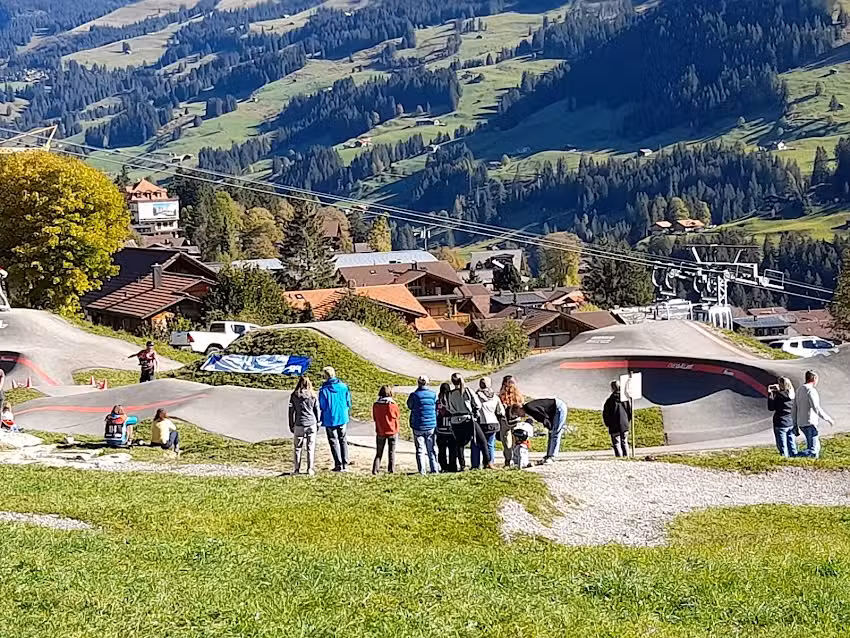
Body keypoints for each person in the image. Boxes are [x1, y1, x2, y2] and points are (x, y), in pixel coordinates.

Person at [318, 366, 352, 472]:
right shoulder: (343, 386)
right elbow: (348, 401)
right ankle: (345, 463)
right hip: (342, 416)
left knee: (333, 440)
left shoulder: (323, 390)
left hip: (330, 418)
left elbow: (322, 405)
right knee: (343, 439)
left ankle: (338, 464)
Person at [795, 370, 834, 459]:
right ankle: (794, 456)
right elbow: (816, 407)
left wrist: (795, 423)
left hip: (801, 422)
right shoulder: (811, 390)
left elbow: (794, 408)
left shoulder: (799, 390)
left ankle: (813, 462)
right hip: (810, 423)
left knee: (816, 447)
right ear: (814, 378)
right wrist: (828, 418)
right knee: (813, 450)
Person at [519, 397, 568, 465]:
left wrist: (549, 425)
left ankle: (552, 456)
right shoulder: (529, 408)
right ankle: (549, 455)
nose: (520, 416)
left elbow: (542, 417)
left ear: (519, 408)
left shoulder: (529, 408)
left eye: (517, 413)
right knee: (551, 433)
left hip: (559, 408)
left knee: (555, 433)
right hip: (554, 409)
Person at [446, 373, 480, 471]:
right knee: (476, 440)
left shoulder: (450, 393)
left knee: (459, 443)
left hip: (455, 420)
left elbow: (449, 407)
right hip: (467, 418)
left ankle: (462, 464)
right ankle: (477, 462)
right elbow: (477, 404)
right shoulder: (467, 390)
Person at [407, 375, 439, 474]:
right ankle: (434, 469)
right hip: (430, 425)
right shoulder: (433, 395)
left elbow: (409, 406)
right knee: (431, 449)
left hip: (418, 424)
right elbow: (436, 406)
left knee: (420, 449)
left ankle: (422, 471)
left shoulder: (414, 395)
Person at [289, 376, 320, 475]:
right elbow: (317, 410)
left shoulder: (294, 395)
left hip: (299, 423)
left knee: (297, 448)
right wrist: (318, 422)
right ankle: (310, 469)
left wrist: (291, 424)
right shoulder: (313, 395)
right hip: (311, 423)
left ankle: (297, 469)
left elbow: (291, 412)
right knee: (310, 447)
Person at [473, 377, 505, 469]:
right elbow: (501, 411)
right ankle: (490, 463)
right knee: (490, 444)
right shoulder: (495, 397)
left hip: (480, 423)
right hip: (493, 423)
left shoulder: (476, 396)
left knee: (476, 444)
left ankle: (476, 464)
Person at [372, 385, 400, 474]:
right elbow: (397, 416)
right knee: (391, 452)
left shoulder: (376, 405)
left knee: (379, 452)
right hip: (392, 430)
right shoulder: (393, 405)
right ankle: (391, 469)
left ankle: (375, 469)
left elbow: (375, 417)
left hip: (380, 431)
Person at [498, 375, 524, 467]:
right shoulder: (518, 395)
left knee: (507, 442)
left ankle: (508, 461)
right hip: (516, 420)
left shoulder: (501, 396)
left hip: (505, 421)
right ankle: (516, 459)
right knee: (516, 440)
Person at [768, 376, 796, 458]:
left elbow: (771, 407)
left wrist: (771, 394)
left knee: (782, 446)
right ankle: (795, 458)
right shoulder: (792, 395)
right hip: (790, 422)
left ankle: (785, 460)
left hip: (780, 423)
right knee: (792, 444)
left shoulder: (779, 396)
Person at [602, 381, 631, 458]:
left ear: (612, 388)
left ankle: (619, 458)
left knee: (616, 443)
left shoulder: (609, 401)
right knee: (624, 441)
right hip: (624, 424)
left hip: (613, 425)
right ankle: (626, 457)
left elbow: (606, 414)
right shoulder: (625, 399)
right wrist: (627, 421)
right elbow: (629, 412)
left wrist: (607, 423)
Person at [436, 382, 457, 472]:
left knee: (442, 450)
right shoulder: (452, 401)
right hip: (451, 429)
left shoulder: (438, 402)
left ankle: (443, 466)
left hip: (441, 429)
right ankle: (453, 466)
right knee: (452, 449)